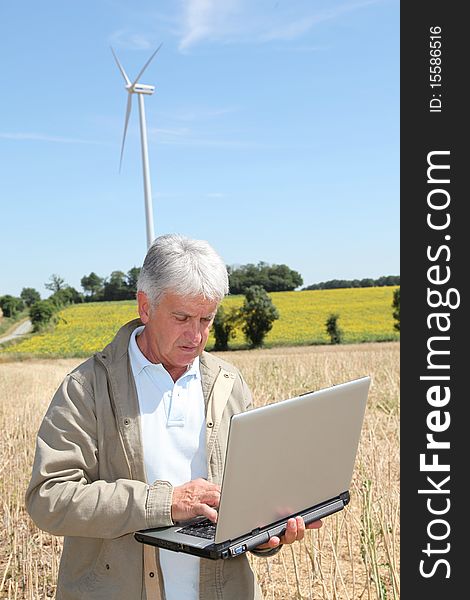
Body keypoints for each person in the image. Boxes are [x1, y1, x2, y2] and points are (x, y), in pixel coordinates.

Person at [25, 233, 322, 600]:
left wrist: (266, 533)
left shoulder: (228, 384)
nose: (196, 335)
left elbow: (244, 497)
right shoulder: (86, 388)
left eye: (206, 319)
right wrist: (165, 504)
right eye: (182, 317)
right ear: (145, 306)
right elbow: (49, 499)